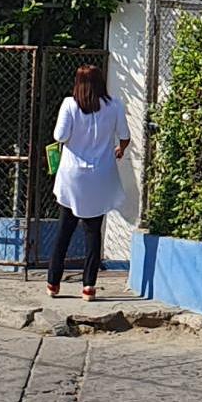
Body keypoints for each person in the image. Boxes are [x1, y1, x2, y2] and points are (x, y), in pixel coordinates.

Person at [48, 63, 128, 300]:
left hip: (73, 177)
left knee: (65, 229)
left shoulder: (69, 105)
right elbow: (125, 136)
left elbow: (59, 136)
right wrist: (119, 150)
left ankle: (53, 282)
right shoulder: (114, 105)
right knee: (93, 232)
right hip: (101, 176)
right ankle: (89, 286)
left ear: (78, 84)